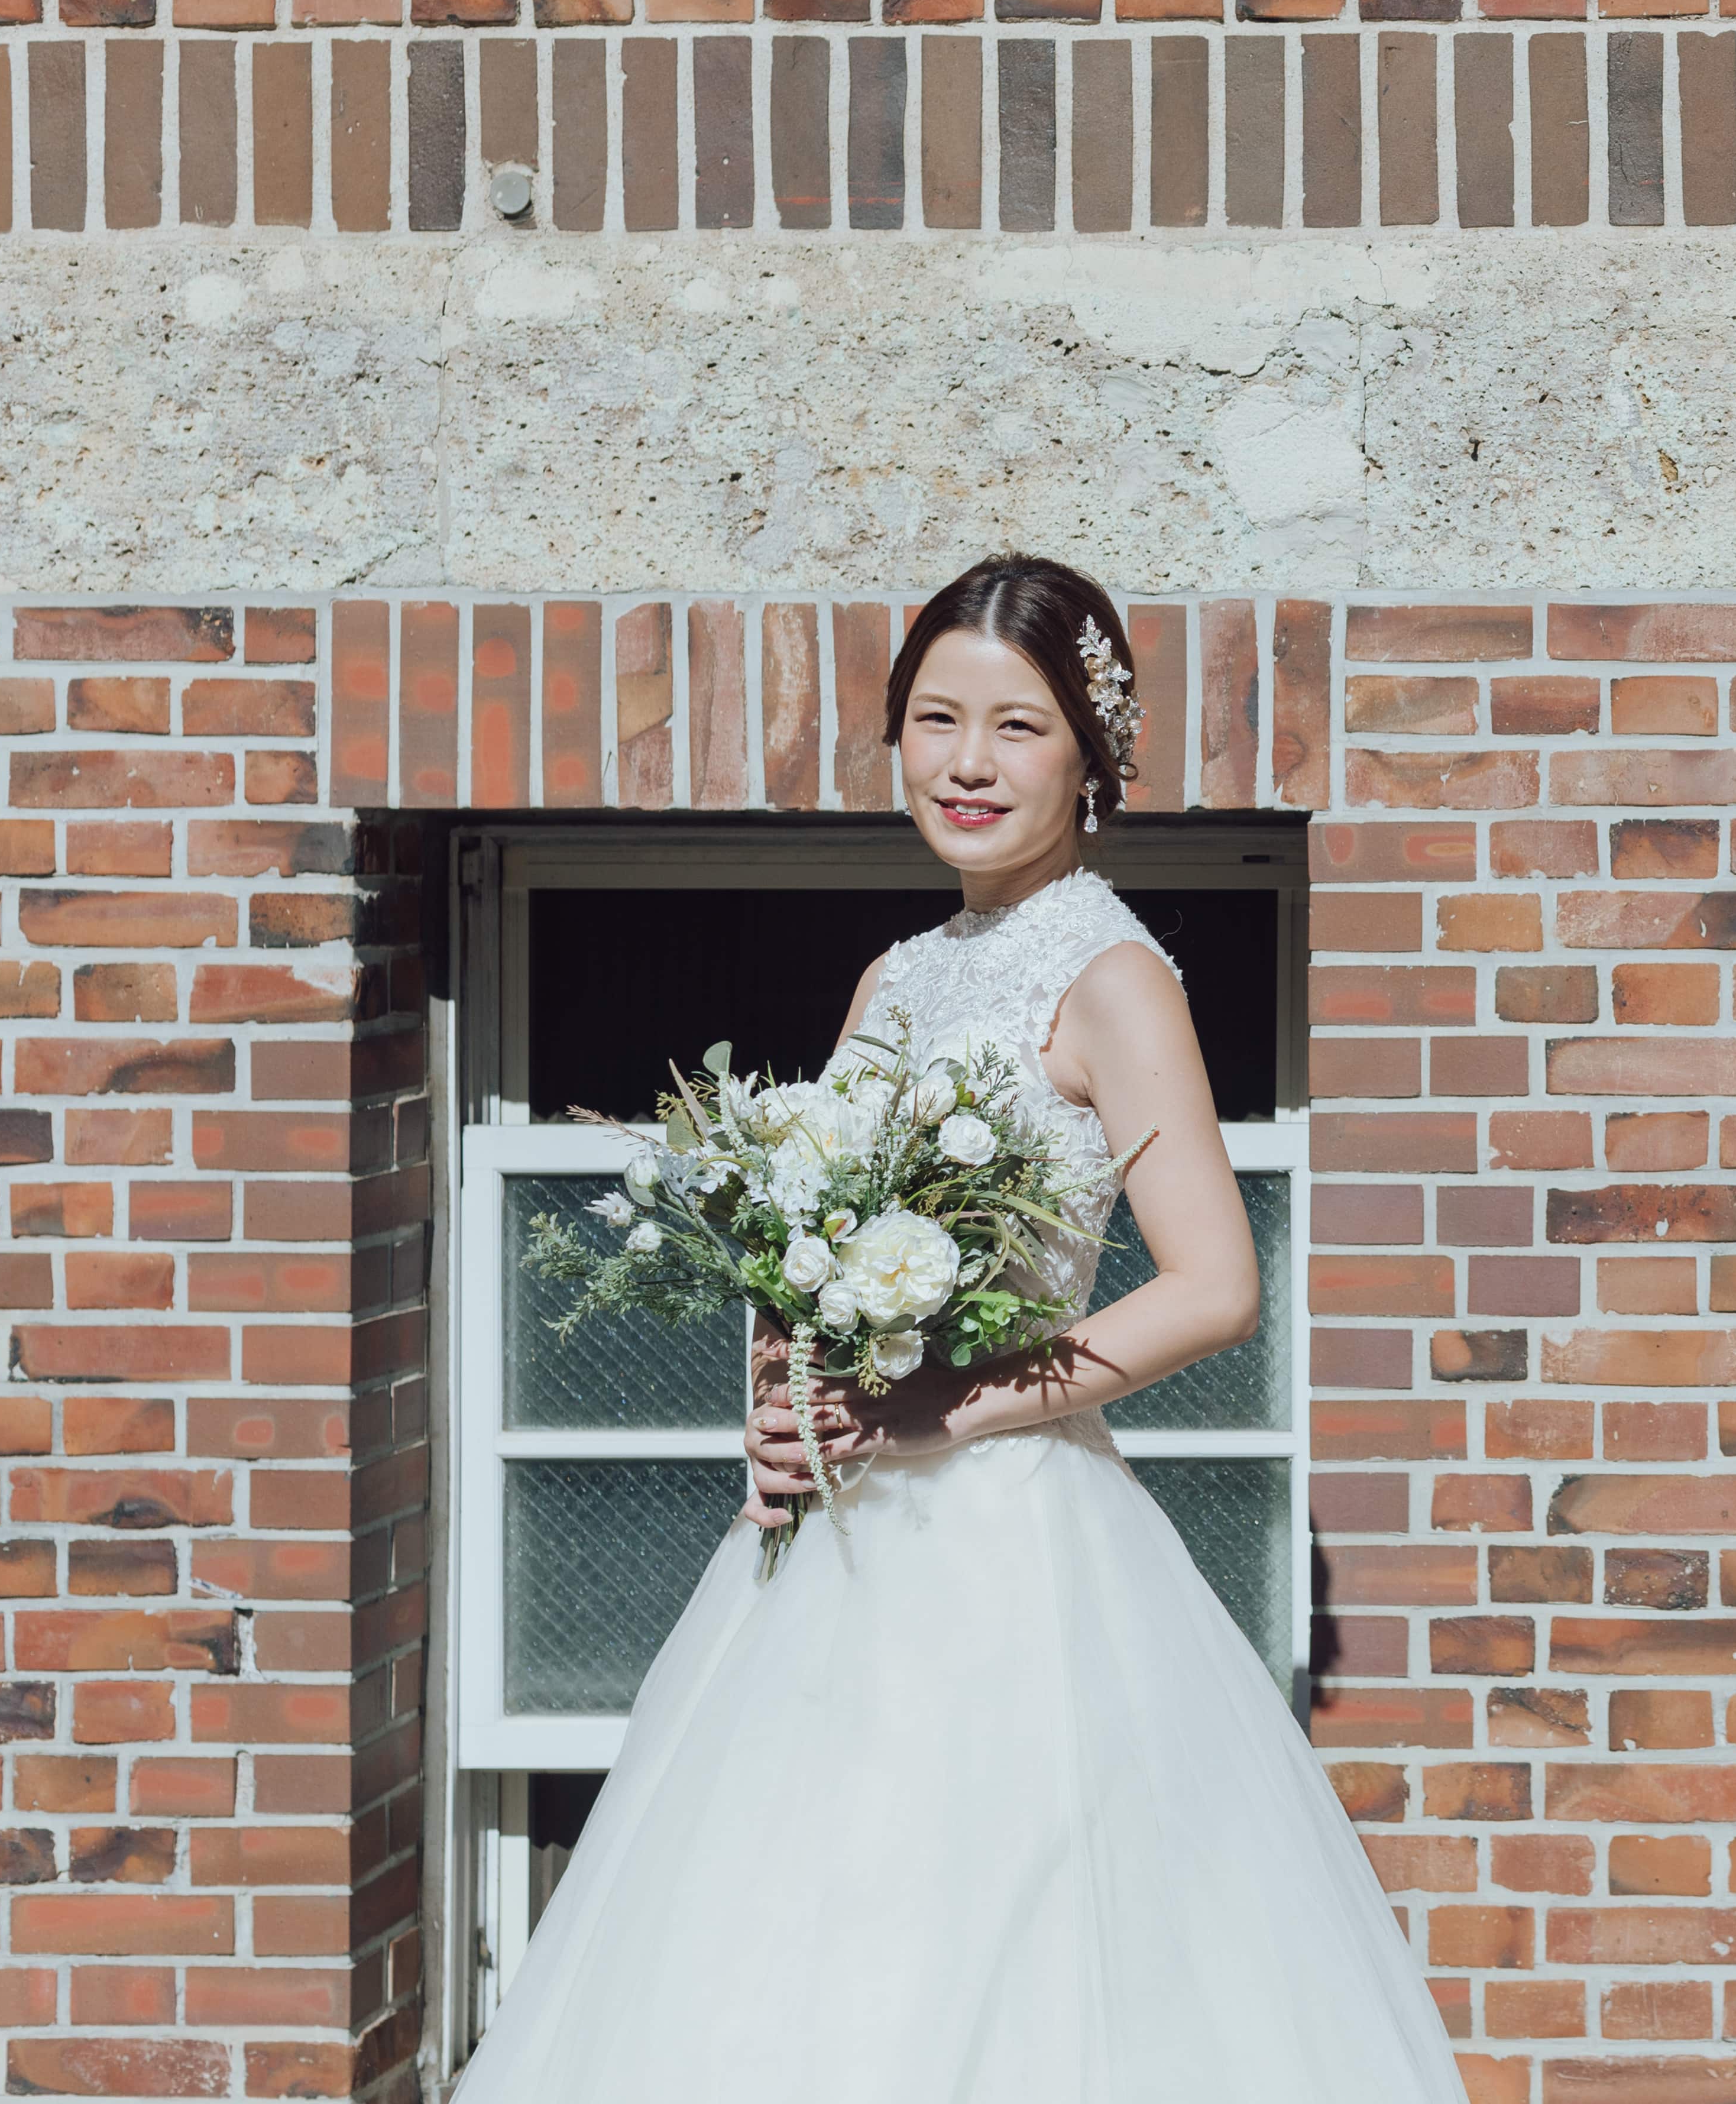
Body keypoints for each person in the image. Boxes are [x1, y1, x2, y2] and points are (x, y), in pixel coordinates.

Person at [458, 553, 1467, 2103]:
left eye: (1017, 725)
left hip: (1013, 1538)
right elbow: (807, 1236)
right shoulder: (897, 977)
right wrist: (779, 1394)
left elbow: (1214, 1285)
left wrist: (945, 1409)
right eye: (937, 720)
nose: (969, 764)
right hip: (835, 1537)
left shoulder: (1113, 979)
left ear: (1091, 755)